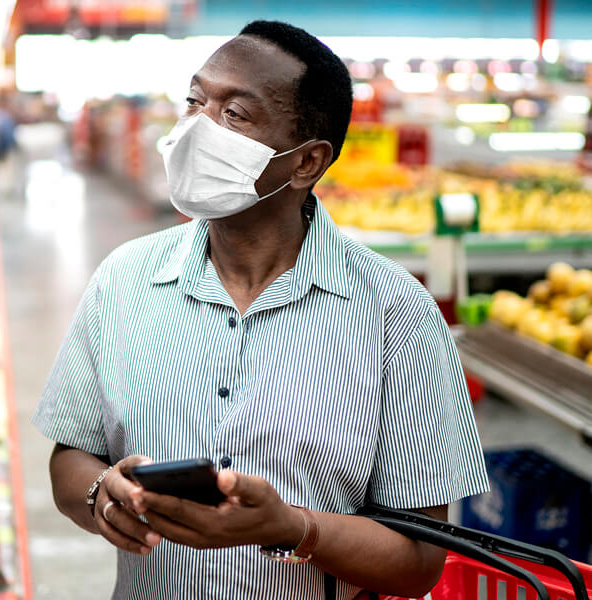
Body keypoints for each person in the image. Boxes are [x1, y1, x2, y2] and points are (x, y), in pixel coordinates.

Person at [32, 20, 489, 600]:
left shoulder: (396, 314)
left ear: (306, 163)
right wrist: (101, 492)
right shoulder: (126, 279)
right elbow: (71, 454)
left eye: (235, 115)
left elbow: (421, 559)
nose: (197, 128)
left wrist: (293, 529)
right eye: (194, 101)